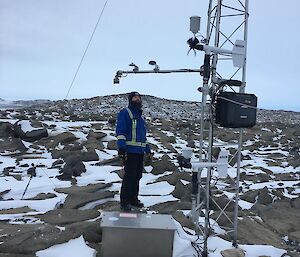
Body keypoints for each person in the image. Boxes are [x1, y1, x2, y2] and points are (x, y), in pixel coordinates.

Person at [116, 91, 151, 211]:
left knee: (137, 176)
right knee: (129, 177)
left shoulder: (140, 117)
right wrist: (121, 148)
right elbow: (120, 131)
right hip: (130, 151)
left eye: (139, 97)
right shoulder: (126, 112)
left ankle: (133, 199)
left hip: (140, 152)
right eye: (135, 97)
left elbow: (142, 135)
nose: (137, 99)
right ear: (130, 99)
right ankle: (125, 201)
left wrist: (148, 150)